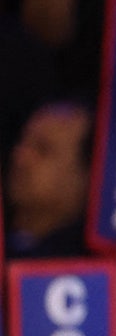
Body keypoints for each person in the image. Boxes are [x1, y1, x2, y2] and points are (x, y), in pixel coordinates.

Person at [4, 99, 92, 258]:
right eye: (22, 143)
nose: (20, 157)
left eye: (43, 149)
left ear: (82, 178)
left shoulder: (92, 270)